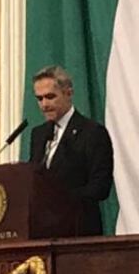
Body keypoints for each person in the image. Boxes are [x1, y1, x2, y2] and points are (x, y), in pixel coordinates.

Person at [27, 65, 114, 237]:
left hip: (78, 232)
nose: (44, 104)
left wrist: (59, 198)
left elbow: (101, 187)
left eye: (50, 97)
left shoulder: (92, 132)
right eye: (39, 99)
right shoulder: (38, 134)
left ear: (68, 93)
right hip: (43, 233)